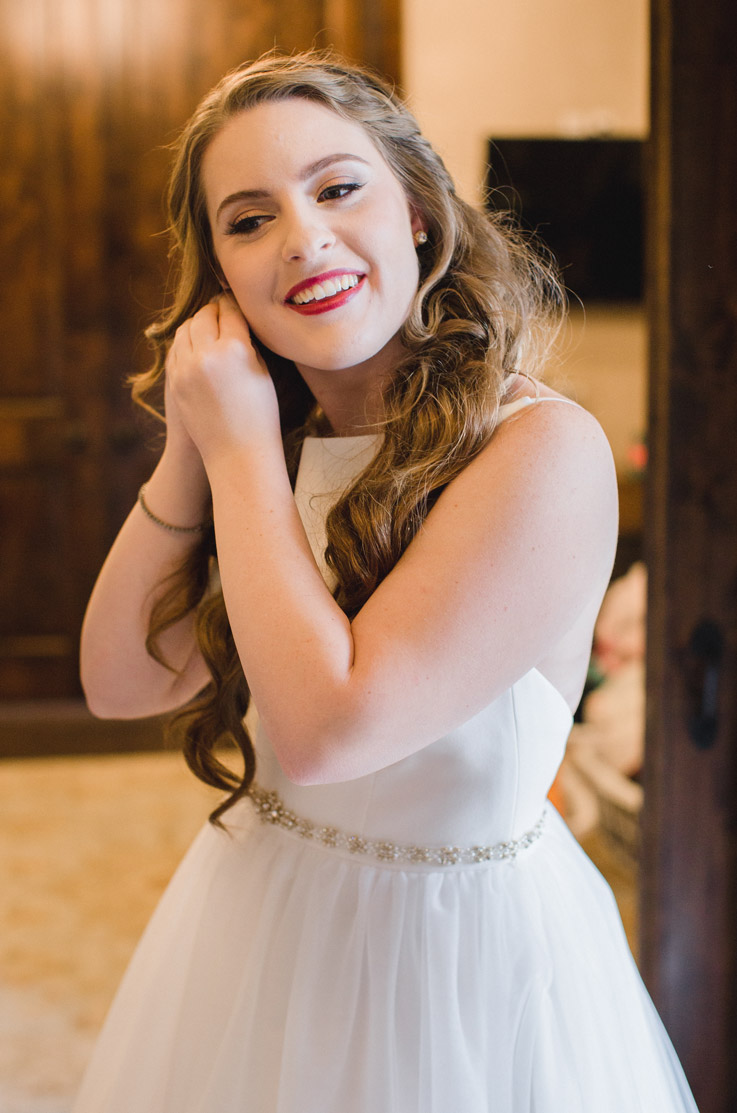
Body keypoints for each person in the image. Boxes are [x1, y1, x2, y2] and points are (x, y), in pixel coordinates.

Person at [74, 50, 699, 1113]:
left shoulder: (538, 449)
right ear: (220, 277)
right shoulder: (264, 442)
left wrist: (235, 458)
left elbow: (329, 730)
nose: (303, 235)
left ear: (415, 210)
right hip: (264, 917)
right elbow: (121, 681)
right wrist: (197, 444)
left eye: (335, 187)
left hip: (453, 964)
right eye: (249, 218)